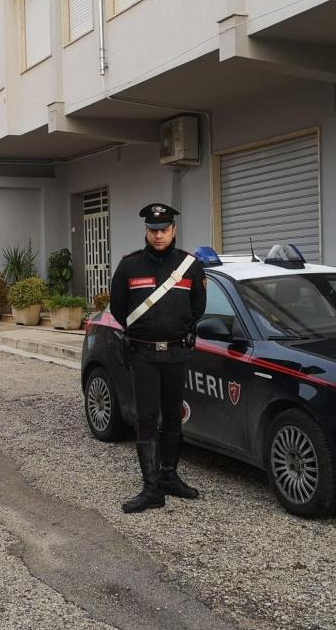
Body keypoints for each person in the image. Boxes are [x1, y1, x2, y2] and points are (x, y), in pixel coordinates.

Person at [109, 203, 206, 513]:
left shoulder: (190, 266)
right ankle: (151, 489)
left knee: (174, 415)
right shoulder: (129, 266)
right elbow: (118, 308)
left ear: (174, 231)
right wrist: (147, 330)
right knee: (148, 418)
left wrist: (175, 329)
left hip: (176, 352)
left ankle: (169, 476)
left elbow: (197, 307)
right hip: (144, 356)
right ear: (146, 232)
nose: (159, 235)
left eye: (164, 229)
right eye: (153, 230)